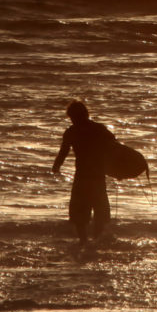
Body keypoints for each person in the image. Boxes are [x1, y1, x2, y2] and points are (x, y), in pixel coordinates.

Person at [51, 100, 116, 244]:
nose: (73, 120)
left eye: (73, 117)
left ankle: (85, 241)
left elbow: (63, 153)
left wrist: (56, 167)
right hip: (96, 175)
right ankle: (94, 241)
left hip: (84, 177)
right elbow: (114, 146)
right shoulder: (98, 129)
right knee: (98, 210)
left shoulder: (72, 132)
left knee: (80, 212)